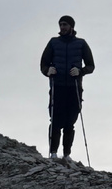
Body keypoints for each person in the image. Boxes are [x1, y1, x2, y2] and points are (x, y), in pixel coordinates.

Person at [40, 15, 95, 159]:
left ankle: (66, 155)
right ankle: (53, 153)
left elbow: (91, 65)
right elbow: (44, 63)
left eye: (65, 24)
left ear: (71, 26)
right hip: (57, 87)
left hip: (74, 88)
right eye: (60, 25)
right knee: (56, 121)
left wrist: (80, 71)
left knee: (70, 122)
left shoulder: (81, 43)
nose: (62, 27)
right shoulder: (53, 42)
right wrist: (47, 71)